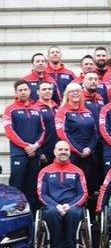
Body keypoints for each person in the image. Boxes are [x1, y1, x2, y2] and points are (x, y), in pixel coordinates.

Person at [37, 140, 88, 248]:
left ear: (70, 152)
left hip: (72, 206)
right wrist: (56, 206)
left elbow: (83, 193)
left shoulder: (78, 171)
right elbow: (41, 194)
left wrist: (69, 205)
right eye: (60, 149)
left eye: (66, 150)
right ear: (54, 152)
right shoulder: (45, 171)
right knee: (51, 213)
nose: (63, 152)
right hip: (52, 206)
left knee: (74, 213)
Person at [4, 79, 45, 209]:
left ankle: (32, 216)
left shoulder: (37, 108)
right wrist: (25, 146)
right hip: (19, 154)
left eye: (25, 89)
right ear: (16, 93)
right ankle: (15, 213)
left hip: (35, 153)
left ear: (29, 91)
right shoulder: (10, 109)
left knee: (32, 185)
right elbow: (9, 131)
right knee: (17, 185)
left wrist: (36, 145)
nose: (23, 92)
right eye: (20, 90)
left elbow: (43, 130)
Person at [54, 82, 99, 195]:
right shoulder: (63, 111)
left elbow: (94, 133)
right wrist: (79, 150)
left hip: (88, 153)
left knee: (88, 183)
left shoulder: (87, 111)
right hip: (72, 154)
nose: (75, 94)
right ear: (67, 94)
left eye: (78, 91)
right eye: (72, 91)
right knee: (72, 184)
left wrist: (89, 148)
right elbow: (62, 133)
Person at [35, 81, 59, 167]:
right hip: (43, 150)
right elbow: (33, 132)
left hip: (58, 150)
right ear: (38, 92)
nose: (48, 91)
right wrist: (39, 152)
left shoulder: (57, 107)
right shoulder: (35, 108)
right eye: (44, 89)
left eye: (50, 89)